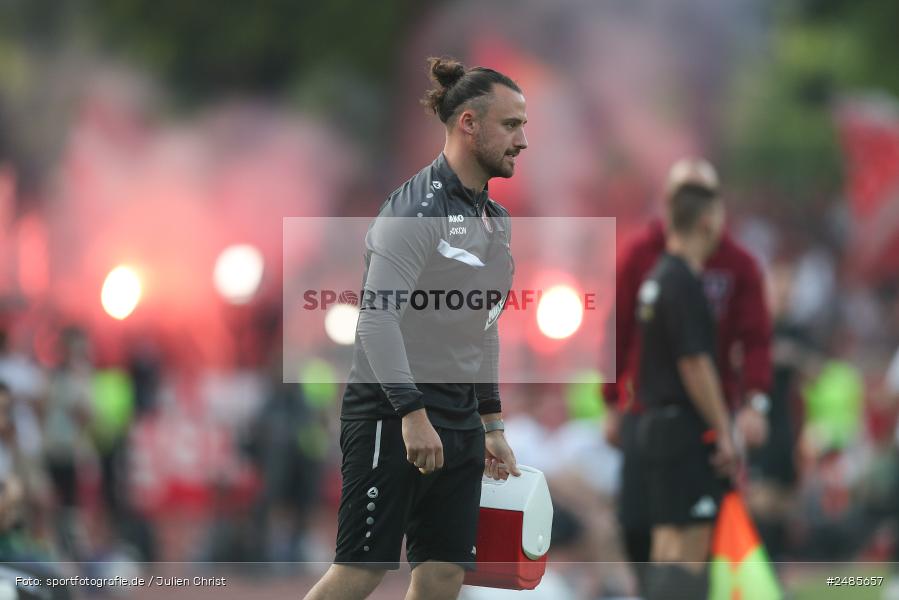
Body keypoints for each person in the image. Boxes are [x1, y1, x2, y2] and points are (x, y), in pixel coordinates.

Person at [303, 56, 527, 600]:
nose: (522, 140)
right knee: (361, 570)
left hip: (457, 416)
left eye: (524, 126)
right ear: (468, 124)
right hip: (391, 413)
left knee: (443, 574)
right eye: (512, 125)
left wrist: (491, 423)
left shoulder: (494, 221)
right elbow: (376, 318)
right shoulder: (413, 211)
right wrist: (411, 414)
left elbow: (485, 327)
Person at [603, 159, 772, 588]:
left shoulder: (732, 265)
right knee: (657, 535)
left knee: (680, 538)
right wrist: (611, 402)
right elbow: (682, 357)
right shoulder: (660, 267)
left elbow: (756, 339)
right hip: (675, 416)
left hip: (688, 414)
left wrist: (754, 402)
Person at [634, 178, 738, 599]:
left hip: (657, 427)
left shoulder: (657, 278)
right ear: (708, 222)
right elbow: (695, 363)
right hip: (682, 431)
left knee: (666, 544)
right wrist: (724, 431)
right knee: (689, 548)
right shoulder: (684, 282)